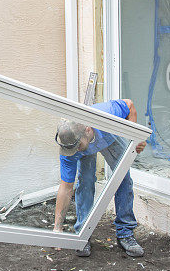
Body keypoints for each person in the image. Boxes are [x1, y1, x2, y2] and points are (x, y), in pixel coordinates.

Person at [53, 99, 147, 258]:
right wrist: (57, 229)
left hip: (108, 137)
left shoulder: (107, 113)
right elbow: (66, 187)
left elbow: (130, 105)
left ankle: (125, 233)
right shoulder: (70, 146)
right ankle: (83, 234)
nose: (75, 152)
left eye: (78, 147)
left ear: (88, 130)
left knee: (123, 178)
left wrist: (135, 137)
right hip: (87, 144)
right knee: (85, 182)